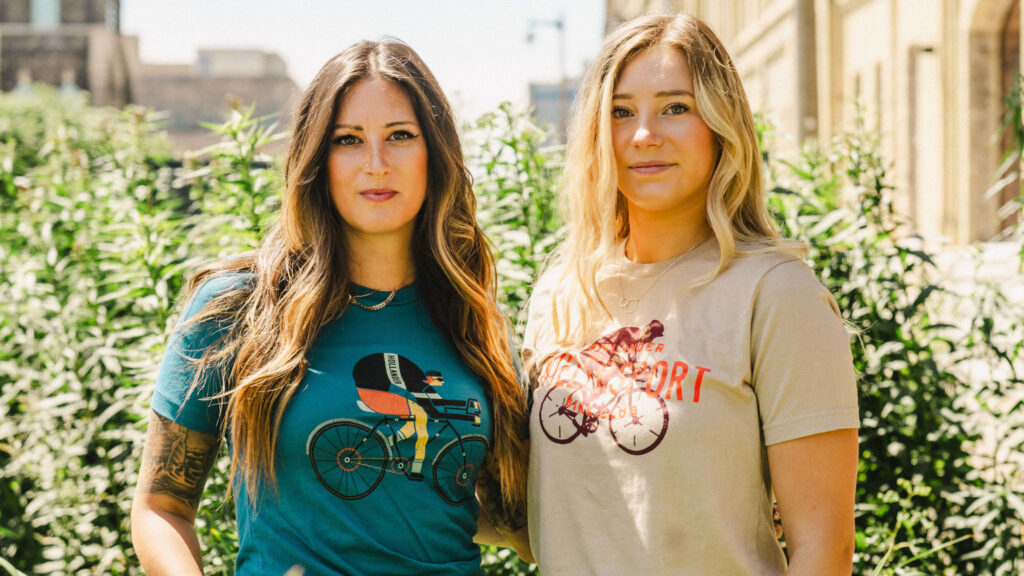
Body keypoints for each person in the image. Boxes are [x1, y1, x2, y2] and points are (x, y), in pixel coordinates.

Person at [131, 39, 529, 575]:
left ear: (435, 154)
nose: (376, 163)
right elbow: (162, 508)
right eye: (348, 140)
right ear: (317, 156)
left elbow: (518, 521)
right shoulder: (240, 306)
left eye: (400, 136)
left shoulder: (473, 321)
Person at [522, 14, 859, 576]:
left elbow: (823, 549)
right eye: (620, 111)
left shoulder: (775, 295)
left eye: (675, 107)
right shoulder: (560, 292)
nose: (644, 134)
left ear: (721, 123)